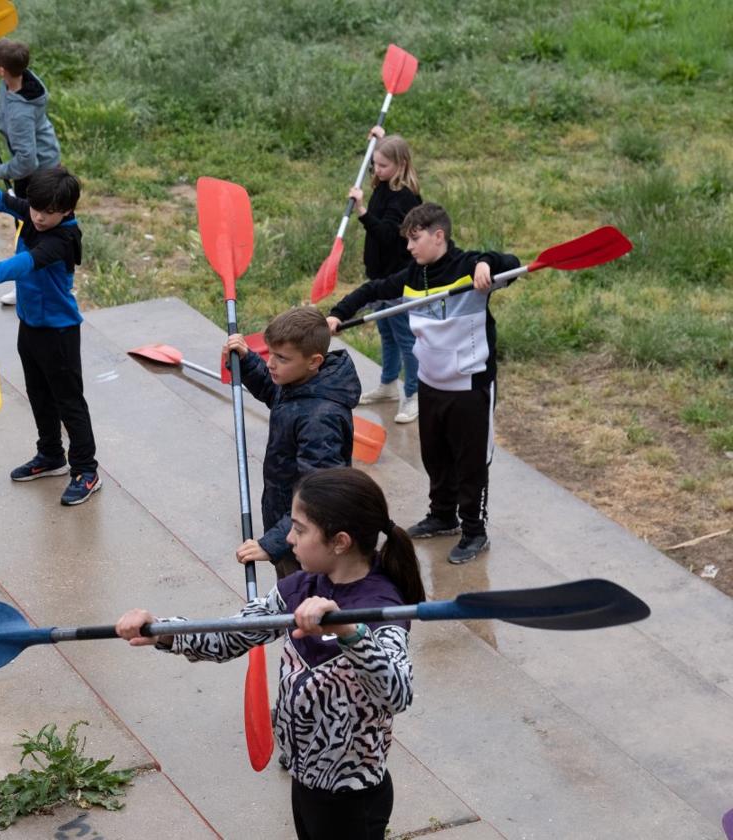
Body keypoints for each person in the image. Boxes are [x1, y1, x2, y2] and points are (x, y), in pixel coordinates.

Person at [117, 467, 424, 840]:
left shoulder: (380, 609)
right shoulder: (299, 587)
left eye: (299, 528)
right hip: (305, 778)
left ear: (340, 541)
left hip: (350, 795)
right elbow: (230, 635)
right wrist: (162, 631)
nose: (289, 540)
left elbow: (397, 693)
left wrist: (348, 632)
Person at [327, 203, 520, 564]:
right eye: (408, 241)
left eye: (415, 240)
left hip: (469, 385)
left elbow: (511, 263)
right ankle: (443, 515)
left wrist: (488, 265)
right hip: (430, 382)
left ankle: (474, 531)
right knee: (436, 455)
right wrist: (338, 313)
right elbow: (372, 290)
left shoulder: (469, 267)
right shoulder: (412, 276)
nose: (410, 248)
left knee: (471, 462)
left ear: (438, 236)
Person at [0, 166, 100, 506]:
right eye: (34, 209)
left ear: (66, 210)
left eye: (47, 213)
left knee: (69, 403)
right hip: (30, 325)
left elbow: (23, 264)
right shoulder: (35, 211)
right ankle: (51, 455)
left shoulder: (62, 239)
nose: (37, 217)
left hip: (59, 333)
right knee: (38, 396)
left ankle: (86, 470)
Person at [222, 306, 360, 581]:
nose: (271, 363)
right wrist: (248, 360)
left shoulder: (320, 419)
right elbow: (275, 393)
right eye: (270, 353)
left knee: (302, 600)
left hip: (308, 540)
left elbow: (319, 496)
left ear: (314, 360)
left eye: (281, 358)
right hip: (289, 523)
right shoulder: (302, 383)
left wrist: (272, 542)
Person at [0, 37, 63, 306]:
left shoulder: (20, 112)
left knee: (30, 229)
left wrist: (2, 169)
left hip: (38, 173)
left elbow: (27, 161)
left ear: (1, 69)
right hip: (41, 160)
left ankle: (29, 286)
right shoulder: (22, 75)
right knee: (33, 227)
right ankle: (35, 282)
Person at [349, 127, 423, 424]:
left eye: (383, 165)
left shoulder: (405, 198)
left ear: (401, 165)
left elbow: (389, 236)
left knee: (405, 337)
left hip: (398, 278)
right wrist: (376, 141)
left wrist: (363, 211)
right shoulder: (384, 184)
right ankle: (389, 384)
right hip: (380, 276)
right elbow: (376, 161)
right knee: (387, 335)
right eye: (374, 165)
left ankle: (415, 394)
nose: (377, 171)